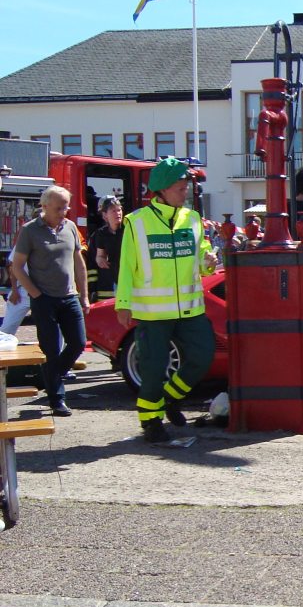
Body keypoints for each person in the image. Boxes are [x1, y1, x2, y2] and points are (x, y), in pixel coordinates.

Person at [116, 157, 219, 442]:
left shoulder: (194, 219)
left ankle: (170, 397)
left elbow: (203, 259)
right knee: (152, 366)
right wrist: (123, 303)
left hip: (189, 308)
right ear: (160, 191)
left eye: (186, 188)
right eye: (179, 188)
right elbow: (127, 266)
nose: (184, 193)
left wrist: (208, 261)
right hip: (152, 313)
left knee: (202, 356)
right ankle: (150, 421)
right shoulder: (136, 222)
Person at [9, 185, 90, 417]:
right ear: (44, 207)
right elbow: (17, 266)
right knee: (51, 349)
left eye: (66, 207)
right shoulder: (30, 231)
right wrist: (35, 294)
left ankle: (51, 376)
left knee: (78, 343)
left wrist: (83, 295)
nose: (63, 212)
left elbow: (78, 263)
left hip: (69, 296)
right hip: (44, 299)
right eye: (58, 208)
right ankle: (57, 399)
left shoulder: (71, 227)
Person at [86, 196, 124, 302]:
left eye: (119, 209)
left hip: (127, 288)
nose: (118, 213)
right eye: (113, 211)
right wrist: (92, 289)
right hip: (105, 291)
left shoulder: (129, 231)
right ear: (104, 215)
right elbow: (91, 264)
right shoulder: (99, 235)